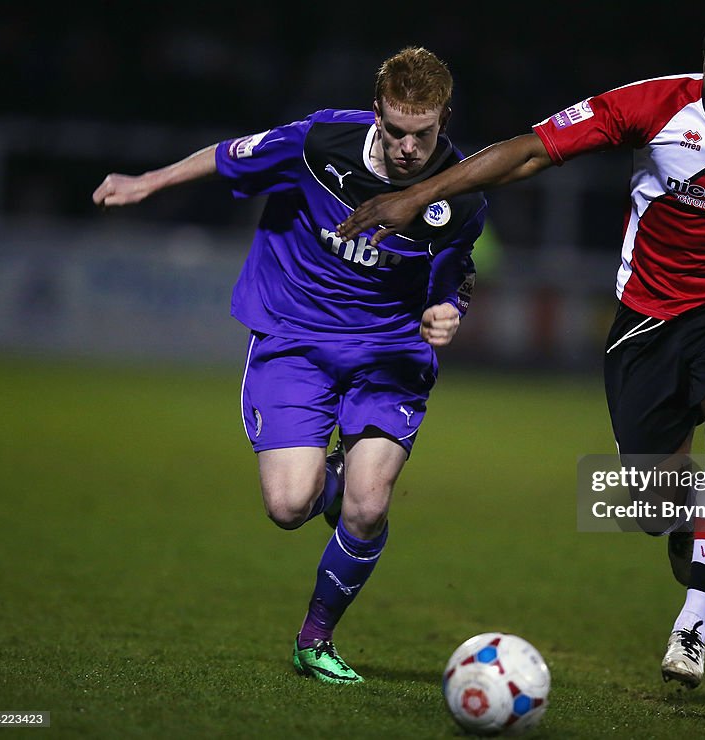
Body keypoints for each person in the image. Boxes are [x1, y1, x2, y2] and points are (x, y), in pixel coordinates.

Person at [338, 12, 705, 689]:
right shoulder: (651, 105)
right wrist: (419, 193)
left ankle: (693, 625)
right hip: (645, 321)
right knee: (652, 504)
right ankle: (694, 523)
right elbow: (532, 150)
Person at [92, 47, 486, 684]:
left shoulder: (461, 191)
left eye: (424, 132)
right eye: (395, 130)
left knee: (367, 505)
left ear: (445, 116)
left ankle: (315, 639)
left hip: (388, 353)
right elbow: (228, 156)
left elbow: (457, 270)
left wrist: (447, 308)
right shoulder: (319, 141)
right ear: (376, 112)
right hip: (295, 339)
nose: (409, 148)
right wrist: (149, 181)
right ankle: (330, 477)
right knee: (288, 506)